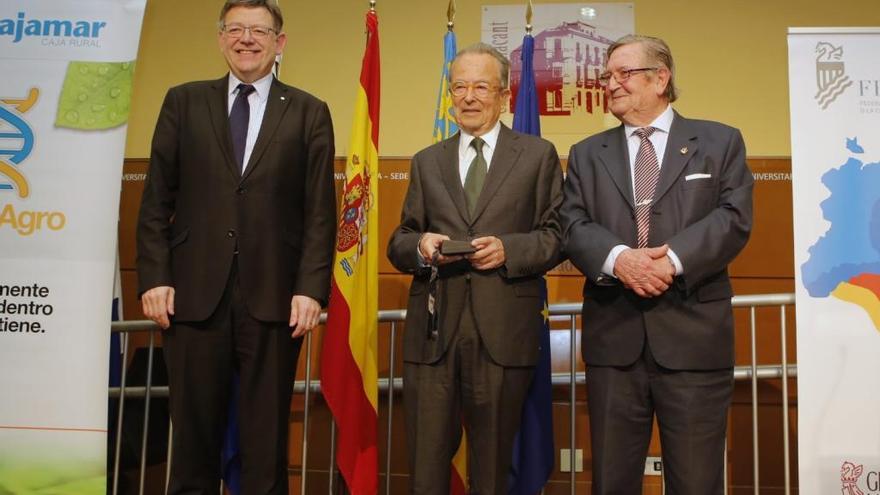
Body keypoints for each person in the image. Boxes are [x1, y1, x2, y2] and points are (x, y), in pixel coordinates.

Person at [135, 0, 336, 493]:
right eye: (236, 29)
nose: (247, 39)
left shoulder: (310, 112)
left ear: (279, 42)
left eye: (259, 31)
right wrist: (155, 276)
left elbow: (319, 212)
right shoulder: (183, 102)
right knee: (192, 445)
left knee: (266, 447)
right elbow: (156, 200)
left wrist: (311, 289)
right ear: (221, 37)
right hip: (193, 297)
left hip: (274, 300)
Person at [561, 35, 753, 494]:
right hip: (614, 345)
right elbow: (570, 223)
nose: (611, 84)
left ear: (660, 78)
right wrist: (619, 259)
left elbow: (734, 217)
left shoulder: (719, 141)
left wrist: (671, 261)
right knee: (611, 481)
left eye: (623, 74)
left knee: (696, 481)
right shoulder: (588, 153)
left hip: (693, 341)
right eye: (607, 76)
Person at [387, 43, 563, 494]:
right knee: (425, 466)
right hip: (432, 334)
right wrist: (422, 247)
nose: (468, 97)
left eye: (480, 86)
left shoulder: (538, 155)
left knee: (493, 466)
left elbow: (558, 236)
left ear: (504, 95)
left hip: (504, 331)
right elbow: (400, 240)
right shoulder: (427, 161)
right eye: (459, 87)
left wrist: (509, 249)